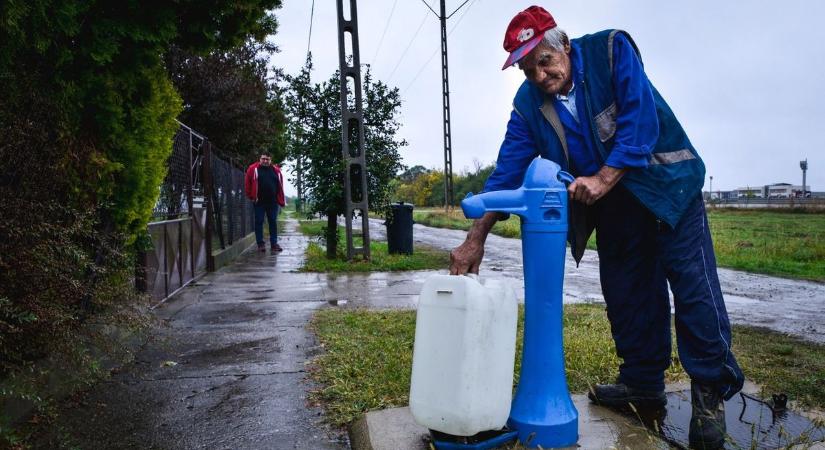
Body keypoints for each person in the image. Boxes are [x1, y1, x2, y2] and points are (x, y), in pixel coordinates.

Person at [448, 6, 743, 449]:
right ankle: (642, 383)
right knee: (628, 295)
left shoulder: (610, 50)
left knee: (693, 289)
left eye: (544, 61)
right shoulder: (529, 105)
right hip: (617, 208)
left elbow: (639, 122)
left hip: (669, 191)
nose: (540, 75)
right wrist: (476, 238)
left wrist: (603, 177)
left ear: (563, 45)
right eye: (528, 70)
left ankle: (709, 395)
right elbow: (507, 172)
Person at [244, 153, 286, 252]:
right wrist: (251, 196)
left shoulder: (276, 170)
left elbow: (280, 185)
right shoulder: (253, 169)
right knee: (259, 222)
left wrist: (280, 199)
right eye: (263, 159)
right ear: (260, 159)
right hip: (259, 202)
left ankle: (274, 244)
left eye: (267, 159)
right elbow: (247, 183)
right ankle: (260, 244)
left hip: (272, 202)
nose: (265, 161)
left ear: (270, 160)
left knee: (273, 222)